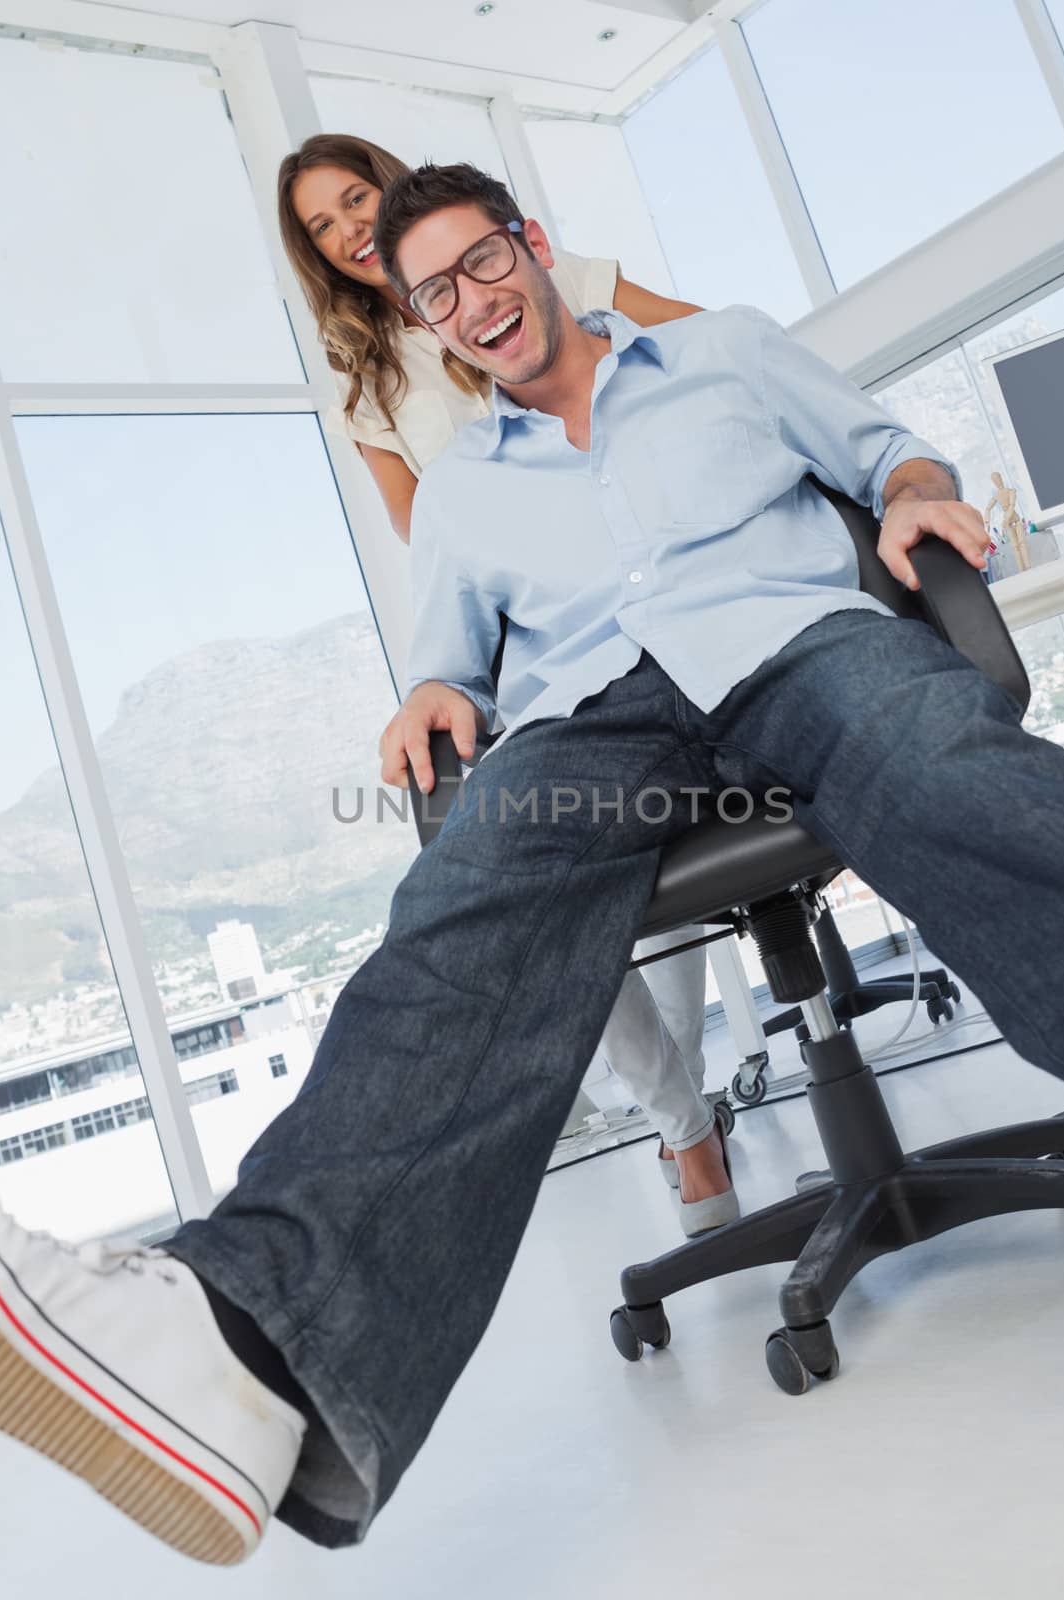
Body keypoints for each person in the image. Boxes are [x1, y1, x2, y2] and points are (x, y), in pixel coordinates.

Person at [0, 163, 1064, 1574]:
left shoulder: (729, 355)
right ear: (425, 321)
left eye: (483, 262)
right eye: (434, 292)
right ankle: (249, 1347)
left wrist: (908, 494)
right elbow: (449, 662)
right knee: (459, 905)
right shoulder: (465, 492)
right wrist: (433, 691)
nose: (470, 300)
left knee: (935, 749)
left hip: (791, 648)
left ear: (534, 250)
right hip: (599, 723)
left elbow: (887, 449)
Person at [279, 133, 733, 1231]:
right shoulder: (368, 388)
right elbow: (422, 533)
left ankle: (695, 1107)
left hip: (664, 594)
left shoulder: (544, 278)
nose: (349, 230)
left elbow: (708, 345)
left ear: (393, 188)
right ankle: (684, 1122)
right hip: (532, 641)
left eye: (355, 199)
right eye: (323, 227)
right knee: (547, 880)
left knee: (652, 879)